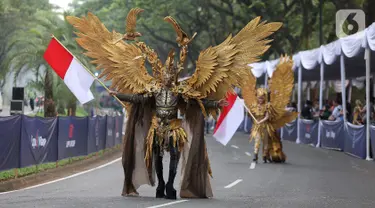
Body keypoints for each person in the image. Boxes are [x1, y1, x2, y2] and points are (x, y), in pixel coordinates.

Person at [67, 8, 282, 199]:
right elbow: (138, 99)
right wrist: (118, 94)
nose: (168, 76)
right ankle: (161, 184)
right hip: (157, 128)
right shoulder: (154, 88)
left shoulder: (181, 91)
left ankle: (170, 184)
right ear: (161, 74)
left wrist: (216, 105)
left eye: (171, 73)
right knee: (158, 158)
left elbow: (197, 102)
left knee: (175, 157)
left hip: (174, 127)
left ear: (174, 75)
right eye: (166, 73)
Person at [242, 56, 299, 164]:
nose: (260, 99)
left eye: (262, 98)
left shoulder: (268, 106)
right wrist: (249, 113)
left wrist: (261, 121)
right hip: (257, 126)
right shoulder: (254, 106)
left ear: (264, 98)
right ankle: (255, 155)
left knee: (266, 142)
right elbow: (250, 114)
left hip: (266, 126)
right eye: (259, 98)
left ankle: (264, 156)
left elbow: (267, 116)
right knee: (257, 141)